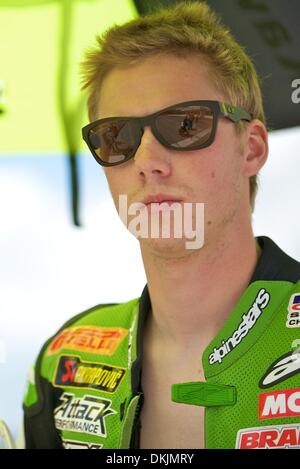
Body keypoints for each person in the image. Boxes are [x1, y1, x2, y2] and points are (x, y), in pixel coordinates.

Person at [22, 1, 300, 449]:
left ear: (251, 149)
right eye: (117, 136)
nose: (147, 163)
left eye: (186, 124)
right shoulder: (64, 363)